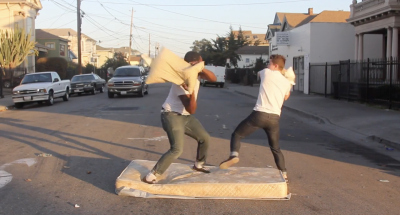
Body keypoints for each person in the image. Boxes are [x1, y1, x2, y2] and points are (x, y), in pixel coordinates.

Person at [142, 51, 217, 184]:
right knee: (177, 149)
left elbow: (213, 79)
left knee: (204, 138)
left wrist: (200, 68)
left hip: (185, 117)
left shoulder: (197, 73)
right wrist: (191, 90)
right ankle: (152, 175)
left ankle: (199, 164)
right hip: (171, 115)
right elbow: (191, 109)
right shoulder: (180, 81)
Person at [219, 54, 293, 182]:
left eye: (270, 63)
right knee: (275, 148)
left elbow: (259, 75)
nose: (267, 65)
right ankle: (284, 173)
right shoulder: (286, 82)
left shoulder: (266, 73)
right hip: (274, 118)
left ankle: (233, 155)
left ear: (275, 66)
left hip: (259, 115)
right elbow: (286, 97)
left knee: (237, 134)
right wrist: (288, 78)